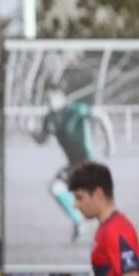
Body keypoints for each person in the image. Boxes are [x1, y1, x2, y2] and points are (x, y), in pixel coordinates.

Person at [34, 86, 96, 240]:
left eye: (50, 98)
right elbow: (43, 140)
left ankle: (81, 220)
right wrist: (31, 132)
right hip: (73, 164)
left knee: (58, 187)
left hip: (85, 161)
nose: (48, 102)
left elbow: (100, 115)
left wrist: (111, 144)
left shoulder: (74, 109)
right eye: (46, 99)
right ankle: (80, 219)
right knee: (57, 188)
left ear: (60, 96)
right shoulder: (50, 117)